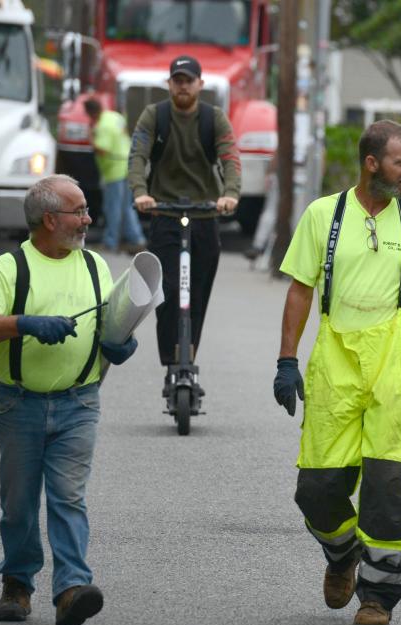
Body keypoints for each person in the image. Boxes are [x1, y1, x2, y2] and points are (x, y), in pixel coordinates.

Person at [273, 120, 401, 625]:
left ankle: (378, 596)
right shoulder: (325, 214)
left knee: (385, 490)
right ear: (372, 164)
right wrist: (286, 360)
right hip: (337, 361)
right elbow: (301, 289)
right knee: (317, 489)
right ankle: (342, 554)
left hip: (399, 362)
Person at [0, 174, 139, 625]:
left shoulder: (93, 265)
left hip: (79, 404)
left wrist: (121, 342)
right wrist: (26, 324)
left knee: (68, 498)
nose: (88, 218)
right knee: (19, 504)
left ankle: (71, 589)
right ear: (48, 219)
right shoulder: (10, 267)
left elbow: (111, 322)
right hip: (19, 406)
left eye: (85, 210)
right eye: (78, 211)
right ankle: (17, 584)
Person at [128, 55, 241, 396]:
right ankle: (171, 360)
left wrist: (230, 194)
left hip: (205, 217)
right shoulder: (155, 115)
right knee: (169, 293)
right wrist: (141, 192)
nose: (183, 85)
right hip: (164, 214)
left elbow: (230, 159)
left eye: (188, 80)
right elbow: (137, 156)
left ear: (200, 85)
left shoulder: (213, 118)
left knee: (197, 293)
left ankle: (188, 358)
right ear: (169, 83)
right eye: (177, 79)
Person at [83, 97, 147, 254]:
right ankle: (136, 239)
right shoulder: (114, 116)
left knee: (112, 207)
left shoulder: (102, 126)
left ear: (90, 113)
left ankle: (110, 242)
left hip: (114, 170)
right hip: (128, 165)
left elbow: (103, 149)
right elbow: (127, 131)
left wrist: (90, 137)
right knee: (127, 207)